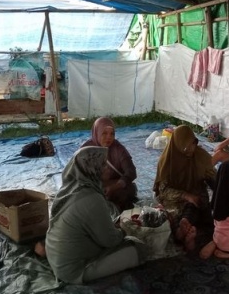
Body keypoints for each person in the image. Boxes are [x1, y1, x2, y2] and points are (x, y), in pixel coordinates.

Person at [40, 146, 146, 284]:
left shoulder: (68, 189)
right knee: (137, 248)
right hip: (72, 271)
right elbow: (111, 241)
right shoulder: (92, 199)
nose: (107, 168)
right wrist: (123, 229)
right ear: (91, 169)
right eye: (103, 165)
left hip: (56, 258)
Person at [153, 125, 215, 253]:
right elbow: (163, 191)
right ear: (177, 144)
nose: (191, 149)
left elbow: (214, 177)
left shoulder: (200, 156)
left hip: (196, 196)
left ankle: (184, 226)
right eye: (186, 146)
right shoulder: (166, 161)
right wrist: (185, 195)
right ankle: (181, 231)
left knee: (199, 210)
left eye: (193, 144)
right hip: (173, 200)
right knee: (171, 215)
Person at [81, 117, 138, 211]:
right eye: (104, 133)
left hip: (114, 187)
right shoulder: (86, 150)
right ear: (97, 133)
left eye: (112, 134)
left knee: (129, 190)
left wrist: (114, 187)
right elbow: (78, 175)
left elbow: (131, 171)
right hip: (92, 187)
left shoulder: (118, 148)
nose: (109, 137)